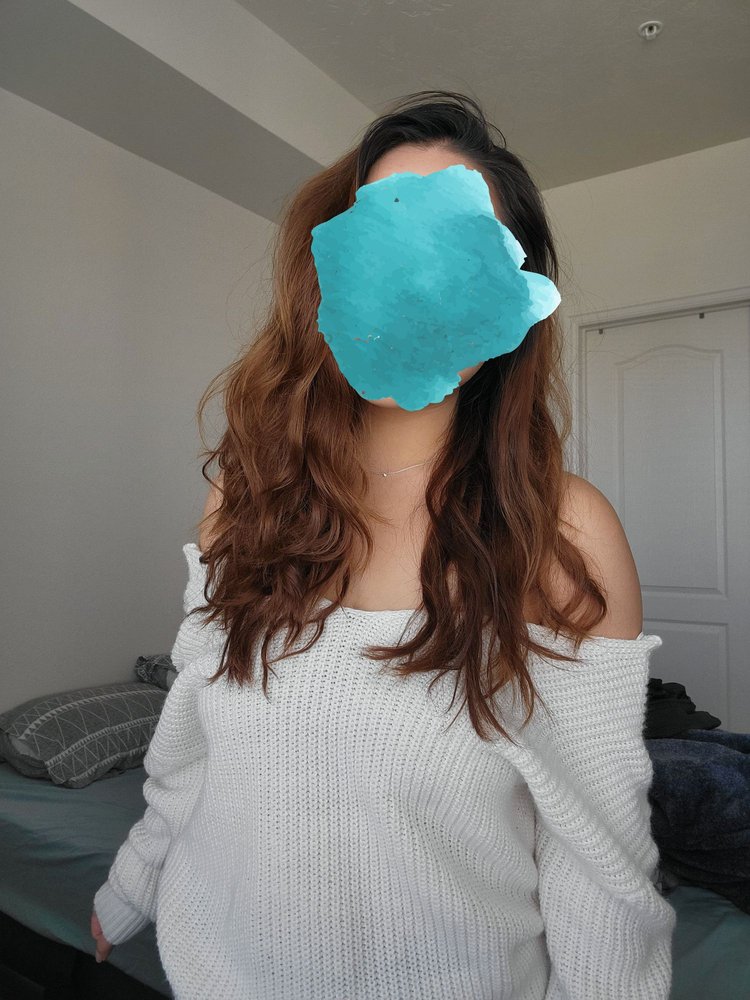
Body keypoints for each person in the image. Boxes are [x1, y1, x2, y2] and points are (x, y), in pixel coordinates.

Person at [91, 90, 676, 998]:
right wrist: (133, 880)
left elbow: (598, 856)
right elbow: (192, 740)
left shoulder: (562, 533)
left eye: (454, 244)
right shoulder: (244, 499)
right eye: (382, 234)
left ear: (515, 295)